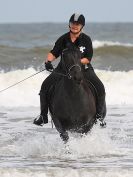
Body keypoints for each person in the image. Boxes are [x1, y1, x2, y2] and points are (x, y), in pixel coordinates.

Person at [33, 13, 106, 126]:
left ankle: (100, 117)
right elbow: (53, 53)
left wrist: (75, 63)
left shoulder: (86, 39)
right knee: (45, 86)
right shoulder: (63, 39)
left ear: (82, 26)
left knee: (100, 87)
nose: (74, 26)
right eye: (73, 23)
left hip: (83, 69)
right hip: (63, 69)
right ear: (69, 24)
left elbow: (88, 58)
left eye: (77, 24)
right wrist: (48, 62)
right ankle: (43, 116)